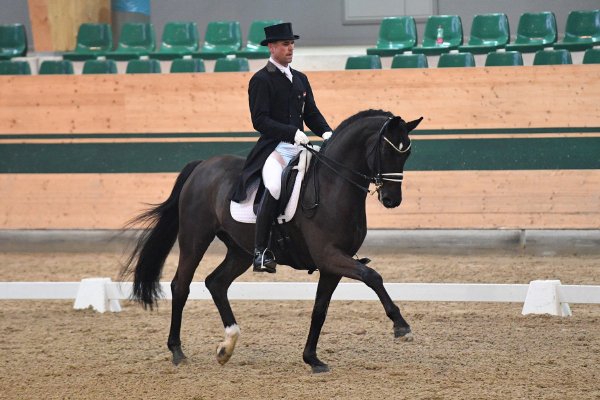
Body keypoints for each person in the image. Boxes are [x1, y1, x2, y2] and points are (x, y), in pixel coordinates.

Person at [231, 22, 333, 273]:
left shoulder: (300, 79)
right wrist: (292, 132)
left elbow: (312, 113)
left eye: (292, 44)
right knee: (275, 185)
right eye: (286, 44)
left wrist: (328, 132)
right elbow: (260, 120)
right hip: (274, 149)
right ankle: (261, 251)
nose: (291, 48)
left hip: (300, 146)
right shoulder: (261, 79)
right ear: (272, 47)